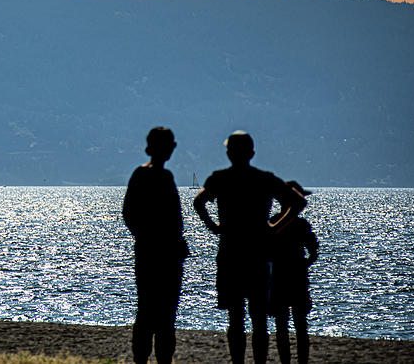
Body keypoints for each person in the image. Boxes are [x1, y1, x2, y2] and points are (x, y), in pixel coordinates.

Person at [193, 131, 305, 364]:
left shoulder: (219, 178)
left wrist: (213, 226)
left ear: (228, 153)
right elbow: (298, 201)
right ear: (252, 153)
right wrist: (275, 226)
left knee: (236, 317)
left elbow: (198, 201)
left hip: (231, 253)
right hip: (258, 254)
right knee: (259, 319)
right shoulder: (263, 179)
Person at [122, 127, 189, 364]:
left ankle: (155, 358)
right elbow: (131, 214)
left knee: (155, 313)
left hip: (157, 253)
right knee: (157, 313)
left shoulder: (156, 176)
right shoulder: (149, 176)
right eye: (169, 144)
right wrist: (156, 241)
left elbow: (130, 214)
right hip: (159, 255)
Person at [270, 181, 318, 364]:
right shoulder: (301, 225)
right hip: (297, 277)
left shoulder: (273, 222)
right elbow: (313, 252)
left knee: (281, 325)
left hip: (278, 278)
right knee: (300, 325)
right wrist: (304, 265)